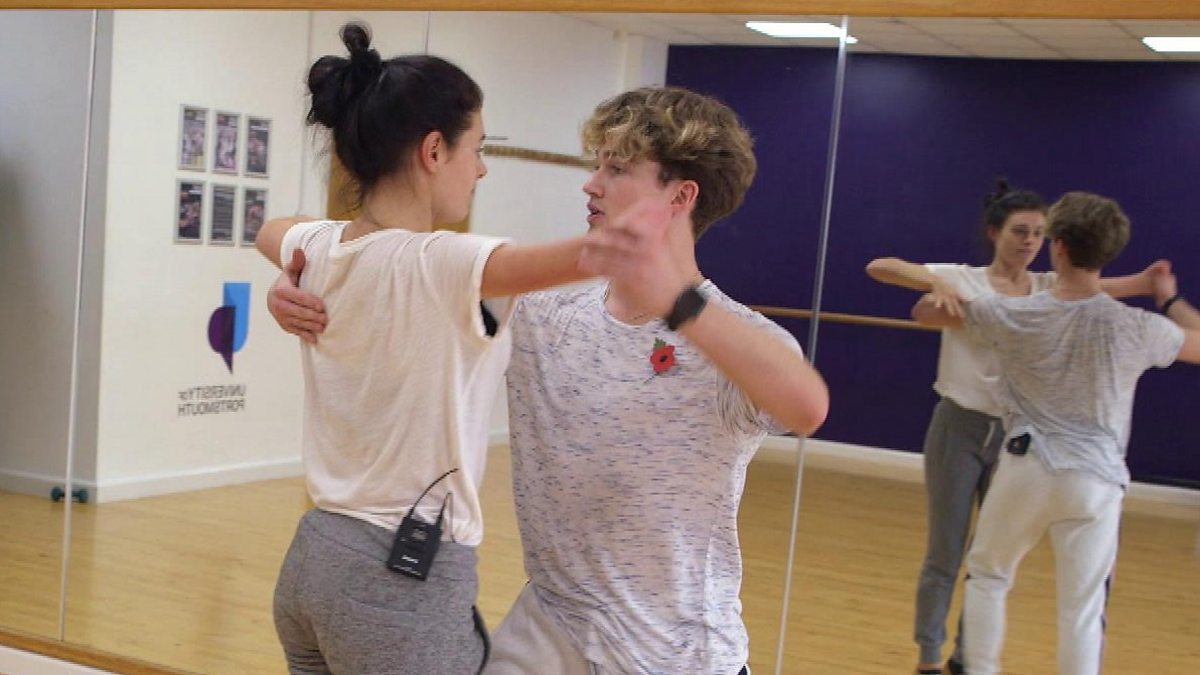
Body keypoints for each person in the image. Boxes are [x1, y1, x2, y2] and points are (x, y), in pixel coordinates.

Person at [267, 86, 830, 674]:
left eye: (617, 169)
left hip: (678, 655)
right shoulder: (544, 313)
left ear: (681, 196)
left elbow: (806, 408)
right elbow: (367, 258)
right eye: (597, 165)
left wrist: (676, 302)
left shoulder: (735, 337)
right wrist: (302, 281)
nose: (591, 184)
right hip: (546, 633)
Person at [258, 23, 661, 675]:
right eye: (478, 147)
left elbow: (270, 230)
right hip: (394, 582)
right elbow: (594, 255)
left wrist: (288, 270)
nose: (482, 168)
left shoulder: (326, 245)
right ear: (433, 150)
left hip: (313, 561)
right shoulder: (449, 261)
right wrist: (655, 203)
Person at [865, 182, 1163, 675]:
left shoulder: (1046, 288)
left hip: (1015, 437)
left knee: (989, 559)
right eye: (1020, 231)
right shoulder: (965, 278)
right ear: (994, 233)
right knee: (946, 552)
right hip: (958, 427)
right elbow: (881, 266)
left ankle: (968, 658)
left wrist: (1146, 282)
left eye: (1038, 234)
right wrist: (934, 281)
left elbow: (1100, 287)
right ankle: (928, 656)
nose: (1029, 241)